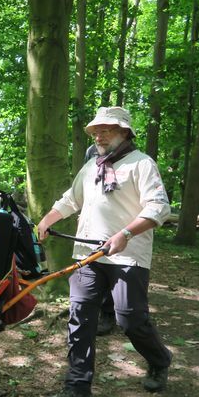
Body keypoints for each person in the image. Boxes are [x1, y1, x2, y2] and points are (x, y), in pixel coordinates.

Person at [37, 106, 172, 397]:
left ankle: (159, 359)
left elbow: (158, 208)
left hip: (128, 257)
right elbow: (71, 199)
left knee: (130, 318)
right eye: (95, 130)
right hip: (87, 256)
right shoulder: (91, 166)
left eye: (105, 129)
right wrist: (48, 219)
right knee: (81, 317)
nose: (98, 135)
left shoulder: (142, 164)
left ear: (124, 132)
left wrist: (125, 233)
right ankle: (78, 386)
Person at [84, 144, 116, 336]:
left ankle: (108, 314)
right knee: (93, 264)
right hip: (94, 216)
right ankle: (92, 311)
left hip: (116, 219)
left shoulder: (132, 156)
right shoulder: (91, 151)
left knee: (111, 265)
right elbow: (86, 180)